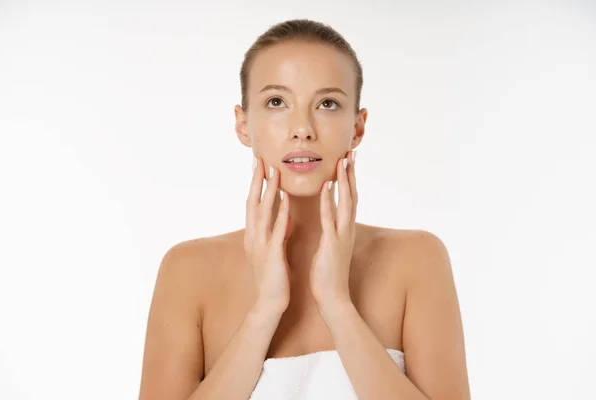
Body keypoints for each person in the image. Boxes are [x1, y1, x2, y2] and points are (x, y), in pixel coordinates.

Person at [138, 19, 470, 400]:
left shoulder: (418, 259)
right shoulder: (187, 269)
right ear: (243, 125)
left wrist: (337, 305)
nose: (302, 128)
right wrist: (264, 312)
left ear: (357, 127)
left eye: (327, 104)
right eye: (276, 102)